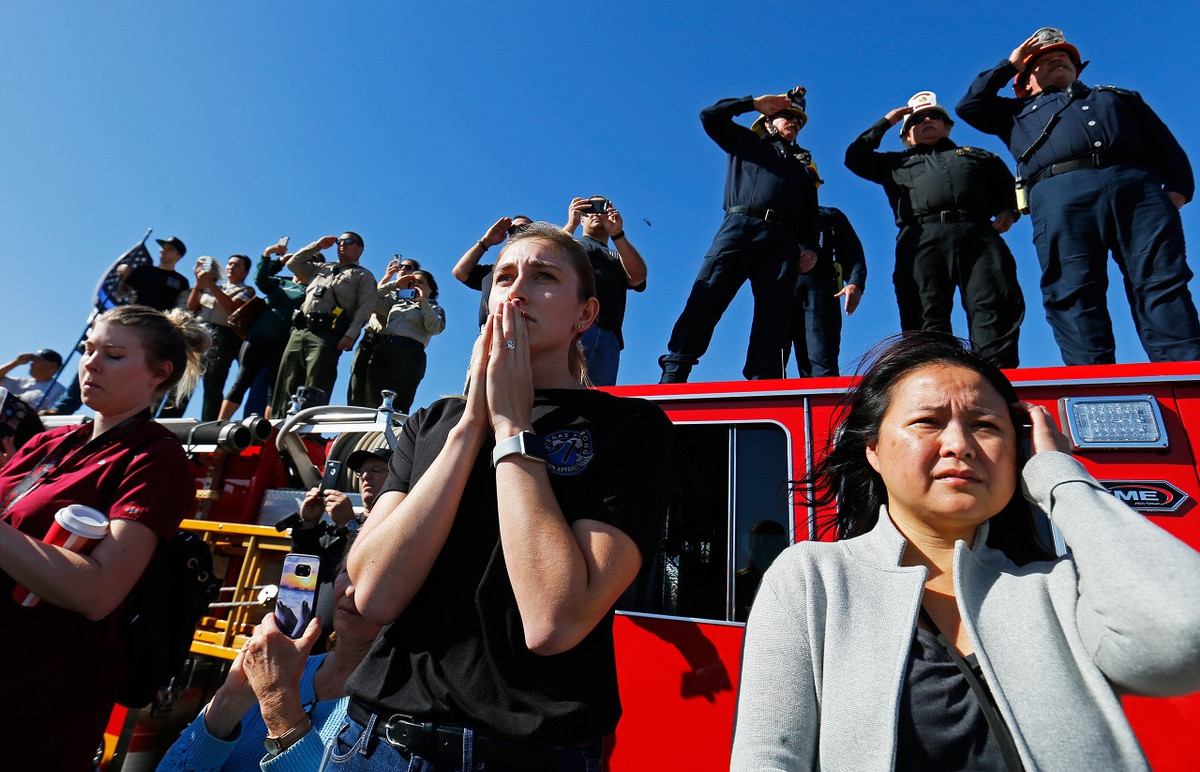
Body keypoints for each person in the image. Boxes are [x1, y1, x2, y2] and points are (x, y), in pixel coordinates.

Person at [730, 332, 1200, 770]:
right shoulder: (815, 578)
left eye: (986, 426)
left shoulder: (1059, 588)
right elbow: (767, 758)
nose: (960, 445)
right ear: (872, 449)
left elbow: (1183, 638)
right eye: (927, 422)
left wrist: (1061, 476)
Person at [333, 222, 673, 770]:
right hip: (374, 740)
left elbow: (554, 621)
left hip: (521, 754)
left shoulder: (631, 427)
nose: (515, 291)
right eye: (504, 277)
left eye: (543, 277)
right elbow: (373, 592)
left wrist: (513, 426)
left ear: (585, 316)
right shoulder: (431, 423)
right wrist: (471, 425)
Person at [0, 304, 208, 770]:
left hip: (35, 704)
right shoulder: (48, 443)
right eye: (88, 349)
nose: (89, 363)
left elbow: (97, 592)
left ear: (160, 374)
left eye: (112, 355)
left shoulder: (157, 459)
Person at [956, 27, 1200, 365]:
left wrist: (1178, 189)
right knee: (1072, 285)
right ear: (1025, 81)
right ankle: (1093, 377)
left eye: (1064, 56)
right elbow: (969, 105)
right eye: (1042, 61)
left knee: (1161, 278)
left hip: (1136, 188)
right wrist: (1010, 64)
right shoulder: (1012, 113)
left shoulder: (1119, 97)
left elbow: (1163, 142)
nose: (1057, 58)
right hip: (1059, 193)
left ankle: (1184, 371)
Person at [846, 90, 1025, 368]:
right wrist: (888, 121)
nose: (927, 120)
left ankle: (995, 376)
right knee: (925, 311)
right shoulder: (893, 163)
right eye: (918, 120)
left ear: (948, 126)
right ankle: (933, 373)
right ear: (906, 135)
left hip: (977, 234)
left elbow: (1006, 186)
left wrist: (1008, 211)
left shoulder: (980, 157)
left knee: (992, 304)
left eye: (935, 116)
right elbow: (855, 157)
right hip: (921, 238)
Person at [659, 87, 820, 383]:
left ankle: (762, 381)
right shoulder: (747, 144)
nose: (793, 123)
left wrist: (810, 246)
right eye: (786, 117)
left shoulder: (802, 171)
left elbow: (810, 213)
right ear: (769, 121)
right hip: (740, 227)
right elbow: (710, 116)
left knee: (774, 315)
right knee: (708, 296)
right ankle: (676, 370)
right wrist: (754, 103)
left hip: (783, 240)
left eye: (798, 120)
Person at [158, 565, 382, 771]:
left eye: (378, 578)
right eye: (348, 571)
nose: (351, 590)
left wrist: (277, 701)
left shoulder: (396, 715)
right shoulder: (270, 667)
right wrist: (229, 701)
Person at [270, 232, 376, 416]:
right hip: (300, 329)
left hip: (327, 334)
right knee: (287, 380)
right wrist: (317, 246)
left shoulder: (363, 275)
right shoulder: (320, 268)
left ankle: (307, 432)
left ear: (360, 250)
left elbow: (365, 308)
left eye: (349, 242)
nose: (342, 244)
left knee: (316, 382)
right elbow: (292, 264)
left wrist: (350, 335)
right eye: (339, 241)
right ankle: (278, 427)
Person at [218, 242, 311, 420]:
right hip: (257, 338)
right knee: (242, 381)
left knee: (274, 389)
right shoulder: (279, 282)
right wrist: (269, 255)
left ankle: (265, 432)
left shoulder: (311, 290)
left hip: (283, 343)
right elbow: (261, 278)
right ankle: (220, 426)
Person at [562, 196, 648, 386]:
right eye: (589, 208)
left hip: (609, 337)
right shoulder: (572, 245)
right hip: (574, 328)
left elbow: (638, 277)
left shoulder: (620, 254)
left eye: (603, 208)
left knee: (599, 404)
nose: (597, 213)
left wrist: (618, 234)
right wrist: (571, 223)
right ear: (582, 218)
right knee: (564, 393)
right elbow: (548, 257)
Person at [347, 269, 445, 412]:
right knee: (372, 398)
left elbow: (435, 328)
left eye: (420, 282)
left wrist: (423, 302)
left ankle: (391, 431)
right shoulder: (397, 303)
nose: (415, 284)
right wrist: (395, 285)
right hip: (383, 348)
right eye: (412, 282)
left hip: (409, 353)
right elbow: (372, 298)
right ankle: (368, 433)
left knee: (397, 402)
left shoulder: (435, 308)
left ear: (430, 289)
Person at [789, 205, 867, 377]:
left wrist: (855, 283)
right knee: (771, 358)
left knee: (822, 357)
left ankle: (823, 403)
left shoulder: (829, 216)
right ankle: (772, 402)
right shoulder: (772, 214)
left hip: (821, 289)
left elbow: (853, 252)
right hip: (780, 287)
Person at [190, 254, 256, 421]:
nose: (231, 268)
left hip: (222, 337)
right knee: (185, 378)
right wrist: (198, 286)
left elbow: (232, 307)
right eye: (229, 264)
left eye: (236, 265)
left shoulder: (246, 291)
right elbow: (192, 308)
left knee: (213, 383)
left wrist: (210, 284)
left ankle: (208, 425)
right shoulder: (212, 287)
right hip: (198, 332)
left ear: (245, 272)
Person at [452, 215, 534, 326]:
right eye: (512, 230)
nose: (517, 231)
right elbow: (460, 272)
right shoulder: (494, 272)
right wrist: (486, 241)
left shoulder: (545, 267)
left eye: (524, 228)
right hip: (490, 337)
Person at [116, 235, 192, 312]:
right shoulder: (143, 270)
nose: (163, 251)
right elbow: (120, 294)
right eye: (163, 247)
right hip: (135, 317)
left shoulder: (182, 281)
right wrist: (123, 276)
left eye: (169, 249)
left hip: (161, 321)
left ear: (179, 256)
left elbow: (182, 306)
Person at [0, 348, 65, 411]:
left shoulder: (59, 390)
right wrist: (16, 363)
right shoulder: (21, 382)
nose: (32, 364)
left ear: (53, 366)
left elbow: (57, 412)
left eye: (37, 360)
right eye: (33, 360)